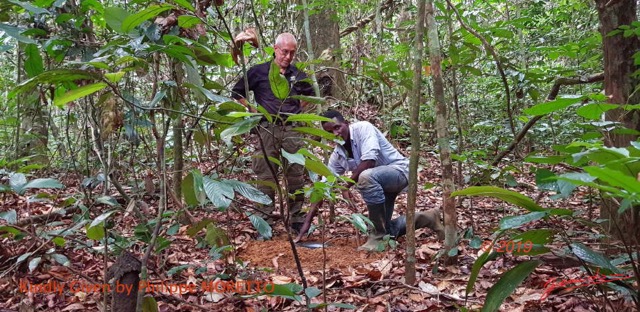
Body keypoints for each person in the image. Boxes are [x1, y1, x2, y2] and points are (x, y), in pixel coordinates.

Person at [296, 110, 444, 251]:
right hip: (380, 185)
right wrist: (308, 222)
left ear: (346, 123)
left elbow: (369, 161)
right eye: (330, 132)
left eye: (337, 127)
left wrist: (345, 186)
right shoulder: (338, 154)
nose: (336, 133)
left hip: (399, 172)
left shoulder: (363, 128)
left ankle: (377, 236)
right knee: (388, 230)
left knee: (365, 176)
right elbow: (324, 186)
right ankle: (429, 217)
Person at [231, 32, 314, 237]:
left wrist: (295, 111)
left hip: (291, 129)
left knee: (295, 173)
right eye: (284, 52)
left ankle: (296, 219)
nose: (288, 56)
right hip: (267, 128)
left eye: (292, 53)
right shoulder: (259, 71)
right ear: (275, 49)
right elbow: (237, 92)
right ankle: (265, 221)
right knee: (266, 174)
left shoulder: (298, 74)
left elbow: (309, 96)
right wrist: (252, 110)